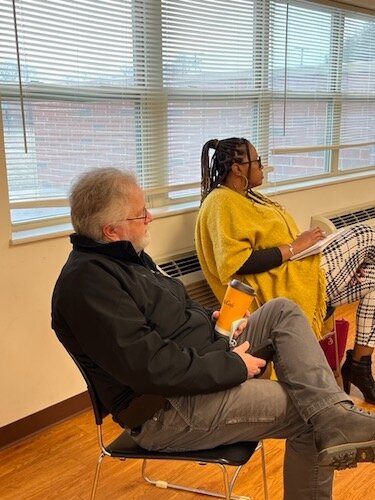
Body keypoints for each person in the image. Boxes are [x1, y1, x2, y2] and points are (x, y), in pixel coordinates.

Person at [52, 167, 375, 500]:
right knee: (308, 412)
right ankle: (333, 419)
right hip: (166, 409)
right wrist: (233, 366)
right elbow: (151, 367)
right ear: (111, 230)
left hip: (203, 362)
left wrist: (213, 318)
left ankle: (335, 416)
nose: (150, 216)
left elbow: (173, 311)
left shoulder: (126, 257)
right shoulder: (88, 286)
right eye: (140, 214)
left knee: (282, 310)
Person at [195, 137, 375, 404]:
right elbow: (235, 263)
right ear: (237, 168)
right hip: (280, 286)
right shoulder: (221, 202)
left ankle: (360, 364)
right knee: (366, 234)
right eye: (257, 161)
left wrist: (303, 249)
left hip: (301, 271)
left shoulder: (248, 197)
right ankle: (356, 367)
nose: (262, 167)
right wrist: (293, 247)